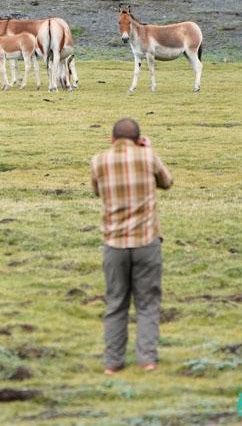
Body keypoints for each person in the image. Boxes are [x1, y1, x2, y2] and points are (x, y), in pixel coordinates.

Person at [90, 118, 173, 375]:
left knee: (116, 302)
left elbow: (97, 191)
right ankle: (147, 359)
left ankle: (112, 363)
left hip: (114, 244)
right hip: (146, 241)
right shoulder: (147, 157)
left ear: (112, 139)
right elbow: (167, 182)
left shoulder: (98, 161)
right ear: (139, 139)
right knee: (147, 303)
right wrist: (147, 150)